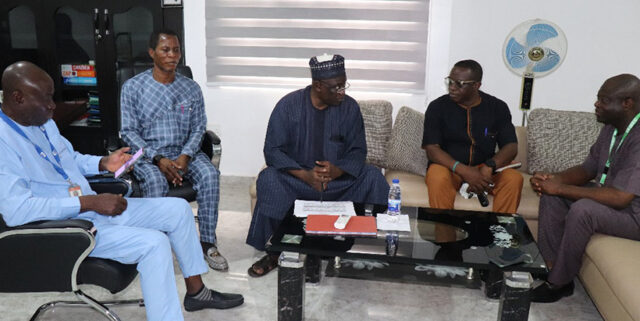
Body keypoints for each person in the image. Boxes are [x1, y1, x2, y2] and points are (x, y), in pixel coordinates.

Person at [0, 61, 243, 321]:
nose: (52, 105)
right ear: (18, 97)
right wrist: (89, 202)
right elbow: (17, 212)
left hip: (89, 209)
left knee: (178, 209)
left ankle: (197, 292)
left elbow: (68, 159)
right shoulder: (4, 142)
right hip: (66, 228)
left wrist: (102, 163)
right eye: (46, 98)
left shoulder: (42, 121)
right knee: (154, 243)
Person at [245, 54, 389, 277]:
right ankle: (275, 251)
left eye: (344, 84)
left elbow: (358, 150)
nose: (342, 91)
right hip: (298, 182)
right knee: (269, 179)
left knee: (373, 177)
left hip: (337, 185)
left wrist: (338, 170)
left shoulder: (349, 107)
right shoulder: (288, 106)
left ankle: (361, 244)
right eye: (336, 87)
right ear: (318, 85)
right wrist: (305, 175)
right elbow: (272, 150)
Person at [120, 29, 228, 271]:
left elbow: (199, 126)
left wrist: (185, 156)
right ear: (152, 53)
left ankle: (207, 243)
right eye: (165, 50)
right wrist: (157, 158)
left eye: (176, 50)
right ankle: (155, 246)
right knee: (155, 182)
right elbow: (127, 132)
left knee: (210, 176)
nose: (172, 55)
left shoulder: (191, 88)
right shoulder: (132, 87)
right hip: (147, 155)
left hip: (184, 153)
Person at [529, 74, 640, 303]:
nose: (596, 104)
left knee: (583, 209)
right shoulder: (611, 127)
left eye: (604, 100)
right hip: (611, 199)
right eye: (598, 99)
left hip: (633, 214)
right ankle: (550, 267)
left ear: (627, 103)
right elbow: (588, 169)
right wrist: (554, 180)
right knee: (552, 197)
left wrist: (560, 189)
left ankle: (558, 284)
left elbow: (620, 197)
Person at [422, 59, 523, 213]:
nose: (452, 88)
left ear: (476, 85)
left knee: (513, 179)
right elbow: (432, 149)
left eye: (460, 83)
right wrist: (463, 170)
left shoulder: (497, 107)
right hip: (450, 169)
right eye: (450, 81)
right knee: (437, 176)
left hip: (486, 170)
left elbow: (511, 146)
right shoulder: (437, 107)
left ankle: (501, 233)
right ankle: (443, 233)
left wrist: (490, 166)